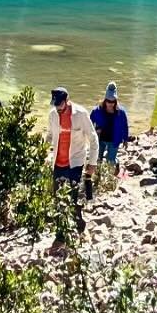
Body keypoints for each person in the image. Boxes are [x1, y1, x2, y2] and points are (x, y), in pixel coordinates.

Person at [47, 86, 97, 224]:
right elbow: (50, 135)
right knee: (57, 194)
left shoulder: (80, 114)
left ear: (67, 100)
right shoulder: (52, 114)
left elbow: (93, 138)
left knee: (72, 193)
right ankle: (59, 221)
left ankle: (72, 220)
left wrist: (92, 163)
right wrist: (42, 153)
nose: (58, 108)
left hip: (75, 160)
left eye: (60, 104)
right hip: (58, 161)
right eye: (55, 104)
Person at [91, 83, 129, 174]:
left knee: (110, 161)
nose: (110, 104)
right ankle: (98, 176)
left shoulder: (121, 112)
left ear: (115, 101)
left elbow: (125, 126)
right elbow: (89, 123)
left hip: (114, 139)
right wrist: (93, 132)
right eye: (108, 101)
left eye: (113, 102)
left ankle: (116, 163)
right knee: (98, 159)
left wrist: (125, 139)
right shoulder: (97, 110)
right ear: (105, 100)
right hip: (100, 139)